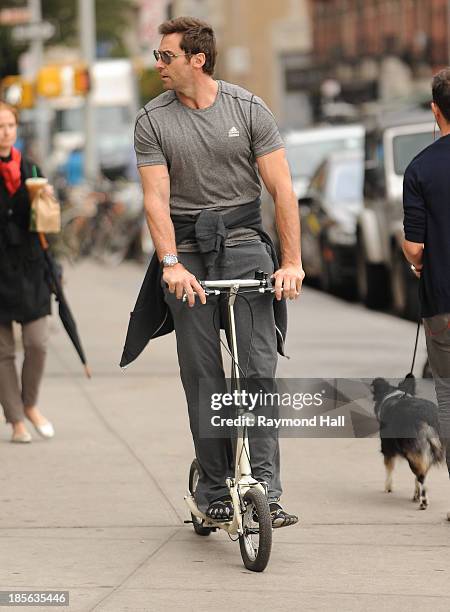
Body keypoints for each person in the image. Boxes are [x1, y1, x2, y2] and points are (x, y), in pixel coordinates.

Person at [133, 17, 304, 526]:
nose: (158, 64)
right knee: (203, 375)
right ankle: (213, 490)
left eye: (166, 56)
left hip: (246, 243)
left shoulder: (248, 108)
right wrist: (170, 265)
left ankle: (267, 490)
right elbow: (155, 200)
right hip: (186, 248)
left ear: (197, 59)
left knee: (256, 370)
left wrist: (291, 263)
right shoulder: (152, 120)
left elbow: (282, 191)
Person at [402, 68, 450, 519]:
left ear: (436, 110)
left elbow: (415, 245)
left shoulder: (420, 168)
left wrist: (417, 260)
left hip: (444, 303)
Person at [0, 101, 55, 443]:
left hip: (30, 269)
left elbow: (47, 226)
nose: (5, 132)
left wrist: (48, 202)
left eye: (9, 125)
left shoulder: (31, 169)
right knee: (3, 351)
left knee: (37, 343)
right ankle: (16, 419)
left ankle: (30, 403)